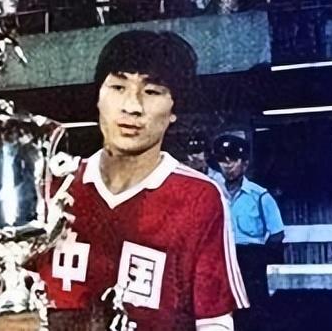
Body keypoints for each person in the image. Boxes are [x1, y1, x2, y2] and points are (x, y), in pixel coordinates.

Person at [37, 30, 248, 330]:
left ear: (174, 109)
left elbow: (214, 321)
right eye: (118, 86)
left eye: (151, 91)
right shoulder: (53, 188)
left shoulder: (200, 198)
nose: (132, 106)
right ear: (98, 97)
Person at [211, 134, 284, 331]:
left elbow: (277, 233)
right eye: (223, 161)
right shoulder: (212, 193)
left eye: (233, 160)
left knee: (254, 313)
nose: (228, 166)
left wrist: (259, 258)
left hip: (251, 263)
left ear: (244, 164)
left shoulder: (260, 196)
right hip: (221, 260)